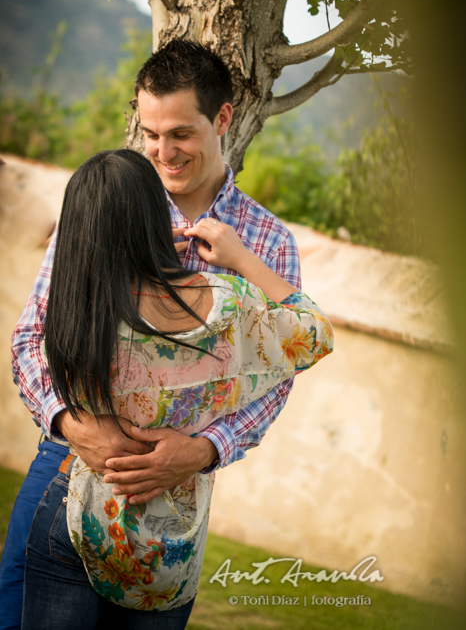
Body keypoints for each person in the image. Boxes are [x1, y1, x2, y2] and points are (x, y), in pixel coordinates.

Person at [2, 39, 302, 629]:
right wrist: (72, 423)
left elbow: (276, 378)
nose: (163, 151)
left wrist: (202, 450)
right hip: (67, 464)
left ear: (222, 119)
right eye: (150, 133)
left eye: (181, 134)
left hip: (176, 497)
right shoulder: (106, 202)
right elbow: (31, 335)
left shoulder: (267, 244)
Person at [21, 149, 333, 627]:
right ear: (155, 212)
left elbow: (28, 346)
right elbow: (316, 334)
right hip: (169, 545)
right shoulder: (229, 305)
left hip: (75, 514)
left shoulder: (78, 307)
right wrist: (242, 259)